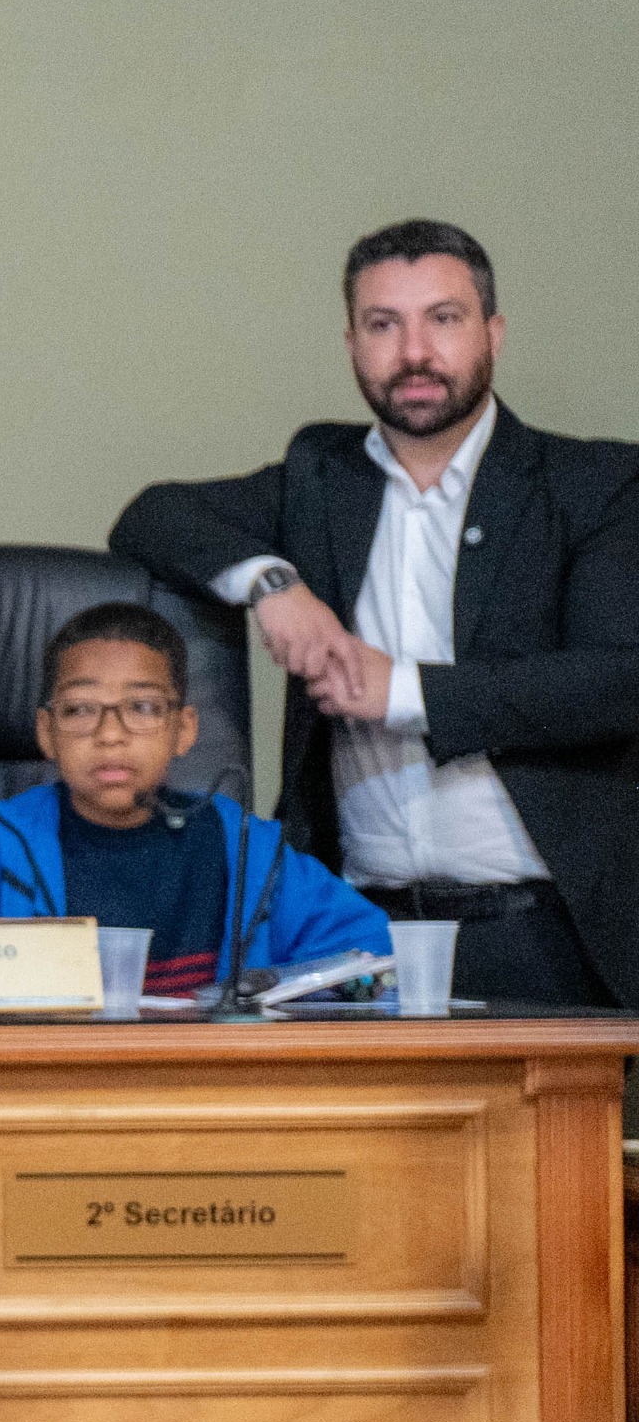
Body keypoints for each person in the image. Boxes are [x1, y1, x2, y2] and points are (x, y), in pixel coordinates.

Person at [114, 219, 639, 1010]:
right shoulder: (321, 477)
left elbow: (616, 680)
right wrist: (274, 583)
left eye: (443, 318)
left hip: (545, 934)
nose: (414, 352)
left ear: (493, 332)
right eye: (383, 324)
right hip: (358, 935)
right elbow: (153, 516)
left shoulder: (591, 483)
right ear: (352, 342)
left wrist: (401, 690)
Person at [0, 601, 389, 1002]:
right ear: (46, 732)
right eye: (80, 710)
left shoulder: (246, 847)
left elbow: (375, 957)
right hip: (46, 1094)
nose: (110, 735)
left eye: (143, 708)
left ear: (184, 729)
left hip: (213, 1094)